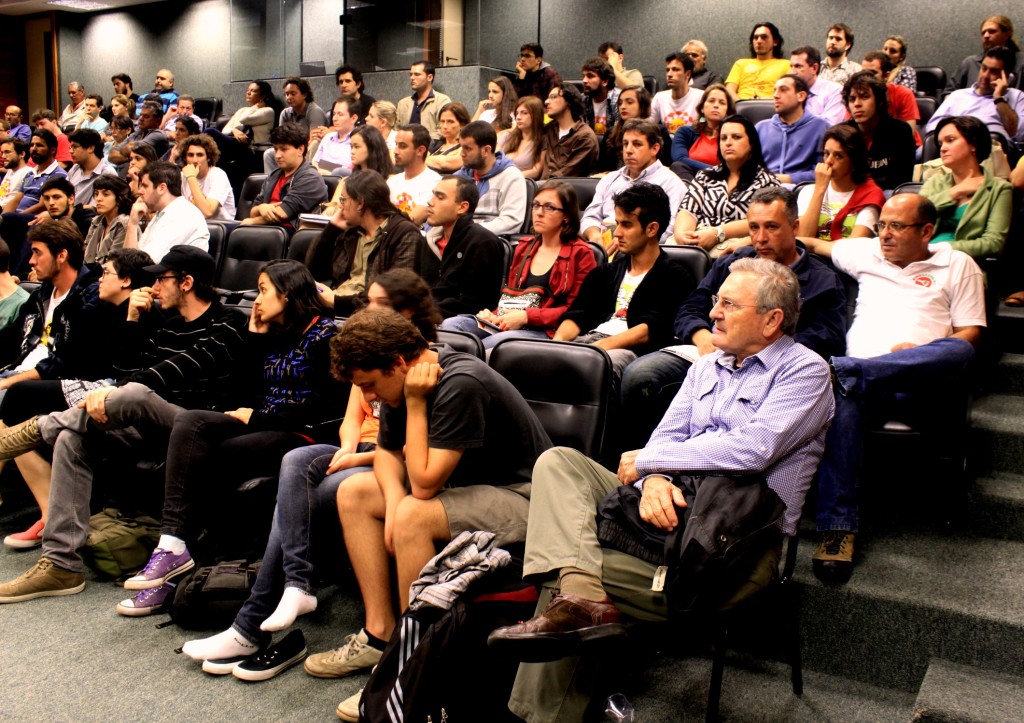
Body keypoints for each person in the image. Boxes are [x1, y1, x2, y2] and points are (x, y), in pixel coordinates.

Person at [494, 257, 835, 723]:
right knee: (558, 463)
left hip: (732, 545)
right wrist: (654, 477)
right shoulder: (706, 366)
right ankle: (583, 602)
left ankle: (549, 692)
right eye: (716, 300)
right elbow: (664, 440)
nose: (713, 312)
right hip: (664, 511)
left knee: (563, 559)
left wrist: (653, 464)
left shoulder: (806, 372)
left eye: (729, 304)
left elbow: (753, 451)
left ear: (772, 319)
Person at [177, 268, 442, 677]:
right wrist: (349, 448)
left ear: (407, 311)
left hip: (390, 459)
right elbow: (350, 419)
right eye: (367, 300)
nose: (366, 310)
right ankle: (296, 586)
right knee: (295, 463)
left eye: (380, 304)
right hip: (360, 450)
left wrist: (358, 457)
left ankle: (250, 625)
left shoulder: (413, 364)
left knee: (307, 495)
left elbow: (416, 446)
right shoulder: (367, 351)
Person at [302, 307, 551, 716]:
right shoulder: (402, 379)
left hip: (525, 499)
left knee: (414, 515)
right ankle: (380, 635)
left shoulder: (457, 382)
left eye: (369, 385)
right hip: (468, 489)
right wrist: (395, 504)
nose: (367, 398)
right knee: (355, 494)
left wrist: (416, 406)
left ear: (399, 362)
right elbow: (384, 454)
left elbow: (423, 482)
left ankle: (411, 667)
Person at [0, 245, 250, 603]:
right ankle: (60, 564)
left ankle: (39, 428)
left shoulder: (229, 323)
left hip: (200, 427)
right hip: (152, 427)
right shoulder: (170, 326)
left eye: (162, 279)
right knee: (74, 437)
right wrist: (132, 320)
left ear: (187, 282)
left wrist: (117, 393)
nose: (154, 287)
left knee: (132, 395)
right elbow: (125, 371)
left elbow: (169, 373)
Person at [116, 259, 340, 614]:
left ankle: (183, 567)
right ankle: (173, 543)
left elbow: (323, 407)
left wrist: (260, 415)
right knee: (190, 424)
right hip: (261, 421)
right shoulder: (274, 333)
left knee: (210, 454)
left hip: (301, 435)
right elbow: (243, 393)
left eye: (264, 290)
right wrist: (254, 338)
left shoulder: (325, 336)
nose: (257, 299)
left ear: (289, 292)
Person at [796, 194, 985, 582]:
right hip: (862, 389)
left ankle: (850, 370)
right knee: (847, 392)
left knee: (958, 350)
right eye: (882, 224)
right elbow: (810, 241)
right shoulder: (865, 254)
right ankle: (838, 530)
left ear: (927, 231)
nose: (885, 234)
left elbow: (970, 334)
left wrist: (923, 351)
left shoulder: (956, 264)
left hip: (922, 383)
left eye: (897, 226)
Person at [621, 186, 846, 450]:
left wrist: (752, 344)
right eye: (753, 228)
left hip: (770, 368)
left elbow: (827, 342)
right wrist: (702, 336)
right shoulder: (735, 261)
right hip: (708, 353)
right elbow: (690, 308)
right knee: (640, 374)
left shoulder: (823, 280)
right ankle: (640, 463)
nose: (760, 238)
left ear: (795, 227)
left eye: (771, 227)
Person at [0, 247, 154, 549]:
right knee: (16, 403)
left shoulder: (143, 314)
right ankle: (47, 511)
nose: (99, 280)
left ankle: (47, 511)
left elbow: (126, 371)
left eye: (107, 273)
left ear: (126, 281)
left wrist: (133, 317)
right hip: (91, 382)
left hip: (115, 391)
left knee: (17, 396)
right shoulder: (100, 307)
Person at [553, 182, 696, 385]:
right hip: (589, 341)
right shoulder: (604, 272)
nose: (617, 232)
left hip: (629, 351)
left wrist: (598, 349)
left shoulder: (675, 276)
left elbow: (650, 329)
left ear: (652, 229)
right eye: (617, 223)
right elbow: (578, 315)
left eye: (626, 225)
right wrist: (555, 347)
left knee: (597, 367)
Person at [440, 180, 597, 349]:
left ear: (566, 216)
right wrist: (493, 315)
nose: (539, 213)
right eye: (536, 205)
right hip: (511, 321)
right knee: (452, 327)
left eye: (549, 207)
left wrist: (526, 317)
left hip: (547, 329)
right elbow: (512, 298)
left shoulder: (581, 253)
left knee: (491, 345)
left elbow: (576, 310)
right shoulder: (524, 247)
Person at [306, 169, 430, 316]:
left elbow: (396, 293)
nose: (340, 206)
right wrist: (331, 230)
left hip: (372, 315)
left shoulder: (404, 234)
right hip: (337, 306)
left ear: (360, 203)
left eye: (343, 200)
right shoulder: (351, 231)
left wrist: (337, 302)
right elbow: (314, 272)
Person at [673, 114, 779, 252]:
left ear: (751, 144)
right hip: (698, 241)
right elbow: (688, 210)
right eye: (723, 138)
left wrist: (718, 233)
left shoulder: (767, 181)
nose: (728, 142)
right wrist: (682, 234)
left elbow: (763, 221)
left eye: (736, 137)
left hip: (739, 248)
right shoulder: (705, 176)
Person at [582, 118, 685, 249]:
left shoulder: (671, 183)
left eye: (637, 144)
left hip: (641, 250)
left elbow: (667, 230)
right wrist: (594, 235)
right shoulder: (609, 179)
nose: (628, 150)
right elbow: (590, 216)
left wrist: (625, 239)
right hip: (602, 248)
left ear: (654, 149)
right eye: (625, 144)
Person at [920, 116, 1012, 259]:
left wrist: (944, 248)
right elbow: (914, 215)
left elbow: (993, 243)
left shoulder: (999, 189)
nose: (943, 148)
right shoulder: (934, 182)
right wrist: (955, 192)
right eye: (940, 143)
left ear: (973, 144)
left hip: (964, 264)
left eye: (950, 140)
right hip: (921, 258)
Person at [424, 176, 504, 317]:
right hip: (427, 315)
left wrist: (421, 312)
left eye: (440, 197)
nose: (430, 202)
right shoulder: (429, 240)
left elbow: (477, 304)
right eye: (433, 195)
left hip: (462, 322)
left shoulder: (483, 243)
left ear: (462, 207)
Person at [797, 124, 884, 241]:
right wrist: (819, 190)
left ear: (854, 161)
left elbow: (852, 249)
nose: (828, 161)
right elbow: (803, 238)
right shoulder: (809, 191)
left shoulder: (871, 196)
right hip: (811, 258)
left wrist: (814, 245)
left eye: (838, 156)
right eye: (826, 153)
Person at [926, 46, 1024, 145]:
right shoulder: (958, 95)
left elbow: (1018, 134)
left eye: (993, 71)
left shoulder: (1017, 96)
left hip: (995, 146)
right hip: (957, 145)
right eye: (984, 68)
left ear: (1006, 76)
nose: (985, 75)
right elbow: (932, 127)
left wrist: (999, 98)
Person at [243, 123, 328, 228]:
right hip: (267, 231)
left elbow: (282, 213)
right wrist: (261, 208)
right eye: (276, 149)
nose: (277, 155)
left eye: (283, 149)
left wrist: (252, 222)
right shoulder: (273, 175)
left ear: (300, 150)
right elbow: (253, 212)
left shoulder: (311, 178)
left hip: (291, 235)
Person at [841, 72, 914, 190]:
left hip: (885, 193)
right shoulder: (842, 133)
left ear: (879, 101)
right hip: (850, 193)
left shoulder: (900, 131)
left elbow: (900, 180)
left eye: (864, 97)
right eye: (852, 99)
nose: (857, 104)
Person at [454, 120, 528, 236]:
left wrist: (469, 232)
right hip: (455, 238)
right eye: (461, 147)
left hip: (488, 240)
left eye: (467, 148)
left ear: (486, 150)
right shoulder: (458, 177)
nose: (461, 154)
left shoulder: (511, 176)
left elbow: (511, 221)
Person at [125, 161, 209, 261]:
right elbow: (128, 261)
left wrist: (132, 224)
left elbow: (144, 264)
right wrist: (132, 224)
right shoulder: (163, 213)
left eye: (145, 186)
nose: (140, 191)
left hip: (176, 276)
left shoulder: (183, 215)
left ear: (161, 188)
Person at [756, 74, 829, 184]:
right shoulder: (760, 128)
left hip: (802, 190)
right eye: (775, 90)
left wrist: (788, 179)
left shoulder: (821, 128)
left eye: (783, 90)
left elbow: (824, 171)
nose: (775, 95)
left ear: (801, 96)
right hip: (762, 188)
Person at [322, 125, 395, 218]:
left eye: (357, 147)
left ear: (372, 148)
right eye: (351, 146)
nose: (352, 151)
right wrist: (330, 210)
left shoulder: (390, 182)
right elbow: (334, 210)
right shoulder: (346, 182)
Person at [263, 78, 329, 174]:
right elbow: (280, 138)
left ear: (304, 95)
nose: (289, 97)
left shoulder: (314, 111)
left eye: (293, 94)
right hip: (291, 149)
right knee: (269, 154)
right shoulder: (285, 113)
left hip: (307, 150)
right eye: (287, 94)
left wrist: (293, 151)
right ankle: (273, 184)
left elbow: (314, 139)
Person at [206, 81, 277, 169]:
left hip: (250, 147)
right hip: (234, 142)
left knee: (209, 131)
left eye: (253, 91)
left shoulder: (268, 111)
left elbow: (244, 120)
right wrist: (234, 130)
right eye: (248, 90)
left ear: (262, 96)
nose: (248, 93)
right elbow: (224, 131)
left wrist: (256, 106)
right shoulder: (242, 110)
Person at [947, 15, 1024, 93]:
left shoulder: (1021, 62)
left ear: (1007, 35)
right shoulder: (970, 63)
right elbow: (948, 92)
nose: (986, 36)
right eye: (983, 33)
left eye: (992, 31)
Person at [859, 52, 922, 146]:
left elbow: (908, 134)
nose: (866, 78)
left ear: (886, 76)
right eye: (863, 73)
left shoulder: (904, 94)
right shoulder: (855, 96)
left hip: (902, 147)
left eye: (873, 73)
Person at [670, 84, 734, 175]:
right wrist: (716, 171)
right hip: (690, 179)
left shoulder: (733, 137)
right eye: (711, 101)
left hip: (721, 182)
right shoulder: (685, 132)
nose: (716, 105)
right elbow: (680, 159)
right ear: (702, 108)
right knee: (677, 166)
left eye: (722, 103)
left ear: (728, 111)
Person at [541, 83, 599, 179]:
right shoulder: (550, 128)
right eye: (548, 98)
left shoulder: (584, 137)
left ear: (568, 100)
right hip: (541, 185)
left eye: (553, 97)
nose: (546, 101)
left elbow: (565, 176)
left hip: (563, 189)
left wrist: (537, 186)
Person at [386, 124, 440, 226]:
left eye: (402, 146)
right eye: (396, 145)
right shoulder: (392, 181)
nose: (396, 151)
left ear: (420, 150)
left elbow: (412, 220)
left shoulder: (434, 182)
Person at [725, 22, 791, 100]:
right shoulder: (741, 64)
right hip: (740, 107)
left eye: (764, 37)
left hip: (771, 107)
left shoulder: (787, 65)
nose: (759, 41)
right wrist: (741, 105)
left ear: (775, 42)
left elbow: (790, 92)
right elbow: (729, 90)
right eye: (756, 38)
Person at [179, 134, 236, 222]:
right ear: (185, 158)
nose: (195, 160)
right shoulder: (183, 175)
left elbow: (208, 212)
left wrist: (191, 178)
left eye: (200, 155)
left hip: (220, 228)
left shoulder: (218, 175)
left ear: (208, 157)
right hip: (194, 226)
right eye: (190, 155)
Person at [788, 46, 846, 126]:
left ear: (814, 68)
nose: (792, 72)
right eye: (791, 66)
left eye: (798, 66)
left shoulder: (835, 91)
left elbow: (829, 126)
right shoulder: (789, 93)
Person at [396, 61, 452, 142]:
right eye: (411, 74)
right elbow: (396, 129)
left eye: (417, 74)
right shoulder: (403, 103)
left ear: (429, 77)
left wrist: (420, 141)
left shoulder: (442, 101)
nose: (412, 78)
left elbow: (444, 130)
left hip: (432, 148)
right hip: (405, 148)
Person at [83, 174, 133, 263]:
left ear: (119, 198)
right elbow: (86, 254)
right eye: (96, 194)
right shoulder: (96, 221)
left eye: (105, 194)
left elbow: (114, 262)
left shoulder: (125, 224)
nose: (98, 199)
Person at [107, 101, 168, 171]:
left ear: (158, 120)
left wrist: (124, 153)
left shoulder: (158, 135)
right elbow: (111, 155)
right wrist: (130, 157)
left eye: (146, 116)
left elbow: (134, 149)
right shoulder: (138, 132)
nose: (141, 119)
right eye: (141, 115)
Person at [650, 52, 700, 135]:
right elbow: (648, 127)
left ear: (687, 74)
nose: (669, 74)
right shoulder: (660, 97)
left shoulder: (700, 97)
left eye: (675, 69)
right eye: (667, 70)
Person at [311, 95, 360, 175]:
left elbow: (352, 173)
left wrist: (327, 174)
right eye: (334, 114)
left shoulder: (359, 141)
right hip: (318, 180)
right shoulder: (327, 137)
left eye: (340, 114)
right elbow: (314, 162)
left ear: (353, 118)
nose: (334, 118)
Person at [66, 128, 116, 206]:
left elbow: (95, 209)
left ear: (90, 148)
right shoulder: (75, 168)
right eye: (70, 148)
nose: (71, 151)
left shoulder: (107, 173)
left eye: (75, 147)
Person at [499, 95, 545, 179]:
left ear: (536, 115)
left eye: (524, 113)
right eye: (517, 113)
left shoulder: (542, 140)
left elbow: (536, 171)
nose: (518, 117)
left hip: (523, 183)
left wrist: (509, 177)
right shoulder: (507, 136)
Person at [580, 57, 620, 140]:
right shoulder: (582, 100)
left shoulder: (618, 99)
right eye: (583, 76)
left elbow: (618, 135)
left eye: (590, 76)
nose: (584, 80)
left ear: (605, 81)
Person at [424, 102, 469, 173]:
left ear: (462, 124)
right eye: (442, 121)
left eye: (450, 122)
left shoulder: (466, 147)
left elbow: (445, 163)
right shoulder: (434, 144)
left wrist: (424, 159)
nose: (445, 126)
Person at [0, 138, 32, 213]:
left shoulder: (28, 173)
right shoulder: (10, 171)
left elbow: (19, 202)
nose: (3, 156)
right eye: (2, 153)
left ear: (22, 154)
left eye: (7, 152)